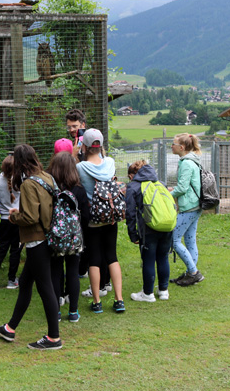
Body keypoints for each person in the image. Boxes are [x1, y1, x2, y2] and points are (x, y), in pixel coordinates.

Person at [0, 144, 62, 350]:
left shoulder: (28, 184)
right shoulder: (46, 177)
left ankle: (54, 338)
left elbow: (30, 217)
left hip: (37, 240)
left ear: (20, 162)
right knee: (24, 282)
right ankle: (10, 328)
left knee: (45, 288)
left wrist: (14, 216)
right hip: (49, 236)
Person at [76, 129, 125, 314]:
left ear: (85, 146)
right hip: (111, 216)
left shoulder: (81, 167)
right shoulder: (110, 162)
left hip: (93, 219)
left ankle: (97, 302)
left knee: (94, 259)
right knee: (112, 256)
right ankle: (119, 300)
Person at [46, 151, 88, 322]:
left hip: (55, 237)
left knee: (55, 272)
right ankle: (73, 312)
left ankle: (56, 312)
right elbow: (85, 216)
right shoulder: (79, 189)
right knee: (73, 272)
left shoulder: (50, 189)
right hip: (74, 238)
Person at [125, 161, 172, 302]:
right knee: (163, 257)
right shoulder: (160, 183)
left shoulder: (133, 186)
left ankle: (148, 293)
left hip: (148, 230)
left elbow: (130, 213)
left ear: (133, 175)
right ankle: (163, 291)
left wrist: (133, 234)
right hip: (167, 226)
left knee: (148, 260)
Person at [169, 133, 204, 286]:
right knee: (190, 240)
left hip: (189, 206)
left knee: (174, 239)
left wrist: (167, 195)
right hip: (196, 205)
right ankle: (191, 273)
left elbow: (182, 188)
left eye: (173, 144)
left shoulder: (186, 163)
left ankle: (194, 272)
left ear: (181, 147)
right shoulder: (192, 161)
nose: (172, 146)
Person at [0, 154, 23, 291]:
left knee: (0, 249)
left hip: (3, 221)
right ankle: (11, 280)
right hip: (17, 220)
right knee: (15, 250)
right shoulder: (21, 181)